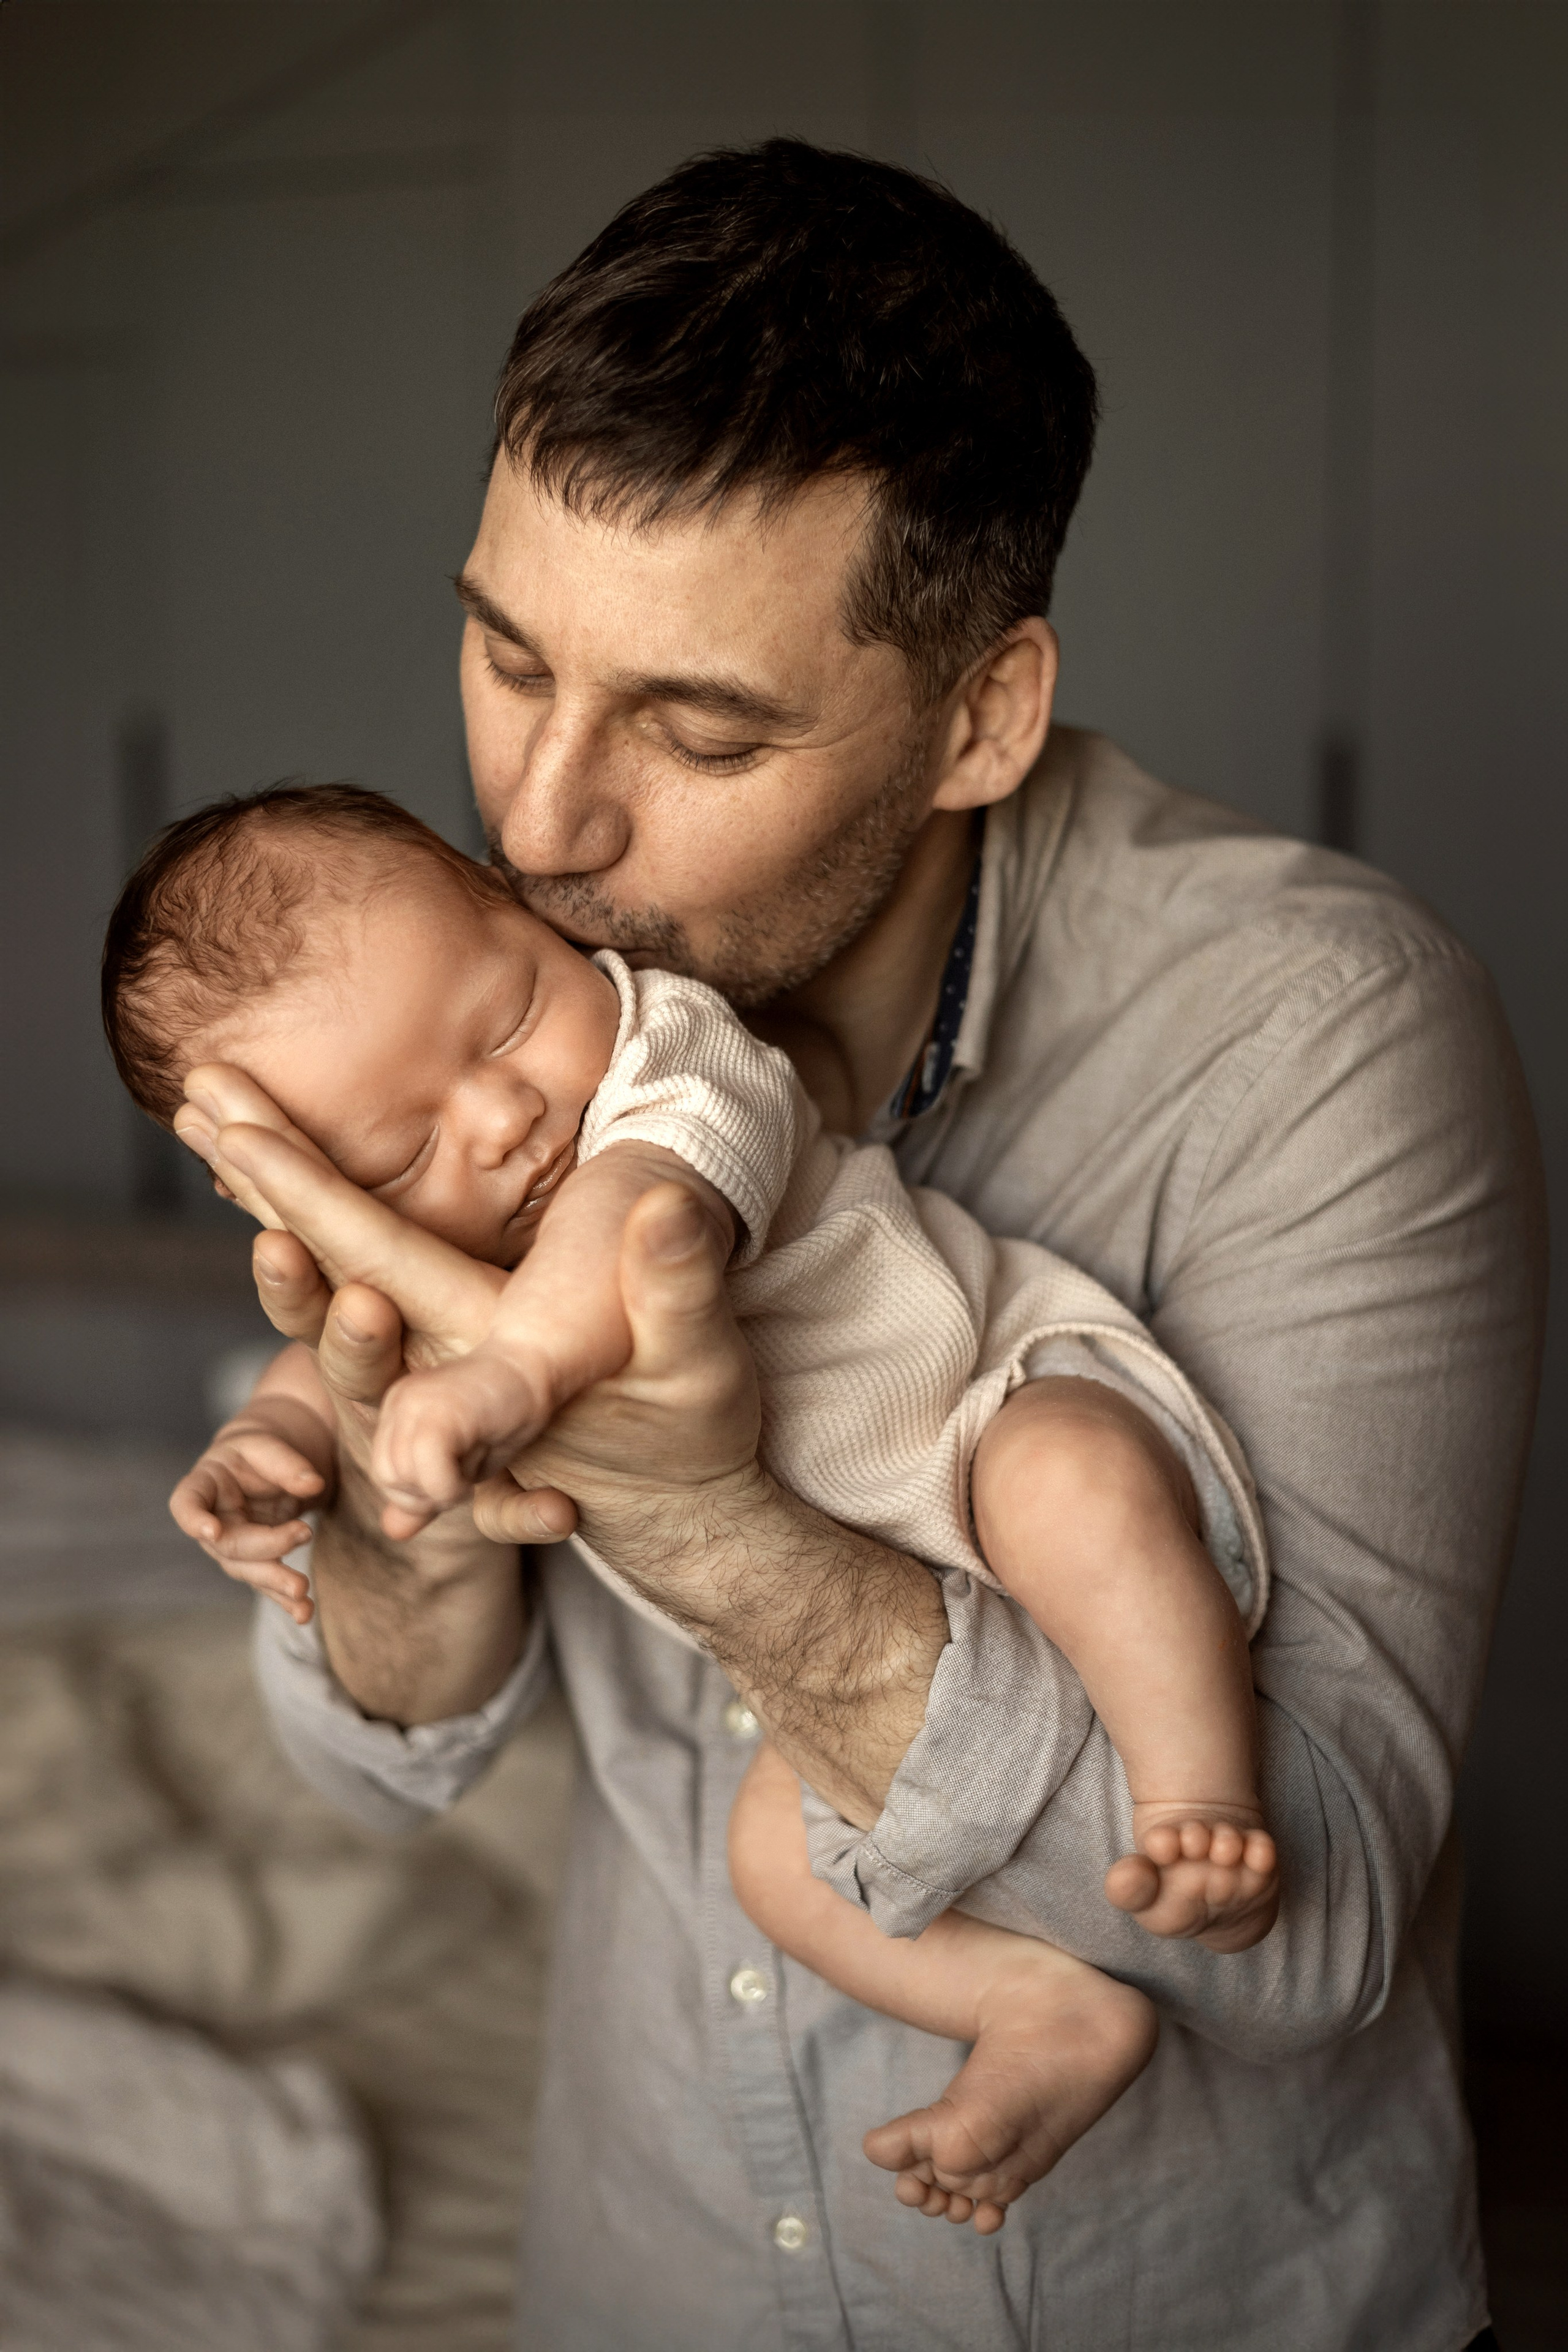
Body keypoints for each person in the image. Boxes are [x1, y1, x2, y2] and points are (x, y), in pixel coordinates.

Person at [165, 143, 1542, 2349]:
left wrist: (710, 1524)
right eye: (508, 658)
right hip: (652, 2272)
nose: (539, 826)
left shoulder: (1320, 1034)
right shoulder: (482, 973)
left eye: (701, 731)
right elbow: (380, 1755)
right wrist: (369, 1472)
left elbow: (1307, 1943)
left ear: (982, 711)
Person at [105, 780, 1276, 2233]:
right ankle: (1047, 2012)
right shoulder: (418, 1252)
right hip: (882, 1613)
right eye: (400, 1154)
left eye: (506, 1018)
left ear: (525, 912)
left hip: (984, 1414)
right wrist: (269, 1446)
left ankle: (1199, 1795)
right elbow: (330, 1364)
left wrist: (503, 1380)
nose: (505, 1115)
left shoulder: (674, 1059)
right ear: (300, 1197)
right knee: (774, 1855)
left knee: (1072, 1482)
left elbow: (630, 1220)